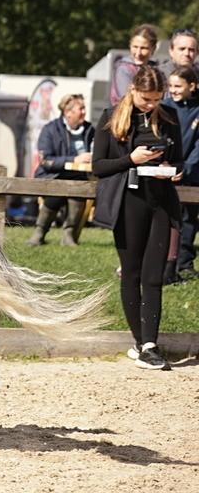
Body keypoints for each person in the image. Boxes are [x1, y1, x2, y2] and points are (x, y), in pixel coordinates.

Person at [92, 65, 183, 371]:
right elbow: (99, 166)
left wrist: (175, 169)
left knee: (154, 276)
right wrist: (131, 159)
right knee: (131, 273)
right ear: (133, 90)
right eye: (147, 98)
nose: (151, 104)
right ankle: (140, 342)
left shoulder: (169, 118)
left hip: (161, 202)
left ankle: (149, 344)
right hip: (128, 202)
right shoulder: (111, 116)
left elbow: (179, 159)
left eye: (157, 99)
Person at [29, 94, 95, 247]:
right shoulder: (50, 129)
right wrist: (74, 159)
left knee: (78, 190)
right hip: (53, 175)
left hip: (80, 176)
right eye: (81, 108)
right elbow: (45, 160)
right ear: (67, 111)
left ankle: (68, 235)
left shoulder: (90, 129)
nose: (84, 112)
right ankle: (40, 232)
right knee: (59, 192)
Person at [163, 64, 198, 283]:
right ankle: (166, 265)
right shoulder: (164, 106)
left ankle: (184, 263)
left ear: (192, 86)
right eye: (171, 86)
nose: (173, 90)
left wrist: (186, 169)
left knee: (188, 219)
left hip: (193, 174)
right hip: (166, 171)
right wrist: (167, 165)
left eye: (178, 86)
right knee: (166, 219)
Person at [110, 24, 158, 106]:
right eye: (135, 47)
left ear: (153, 48)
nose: (138, 53)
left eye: (143, 48)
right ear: (130, 46)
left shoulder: (155, 69)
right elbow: (128, 99)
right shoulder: (124, 69)